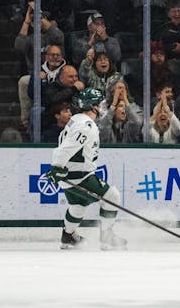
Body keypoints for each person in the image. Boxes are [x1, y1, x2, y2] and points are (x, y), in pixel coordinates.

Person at [44, 88, 126, 251]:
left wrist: (58, 168)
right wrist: (56, 167)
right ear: (92, 105)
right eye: (100, 104)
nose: (102, 107)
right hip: (79, 176)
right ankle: (107, 237)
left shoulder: (77, 120)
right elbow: (65, 149)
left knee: (78, 206)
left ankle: (68, 236)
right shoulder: (85, 126)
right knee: (112, 195)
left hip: (70, 177)